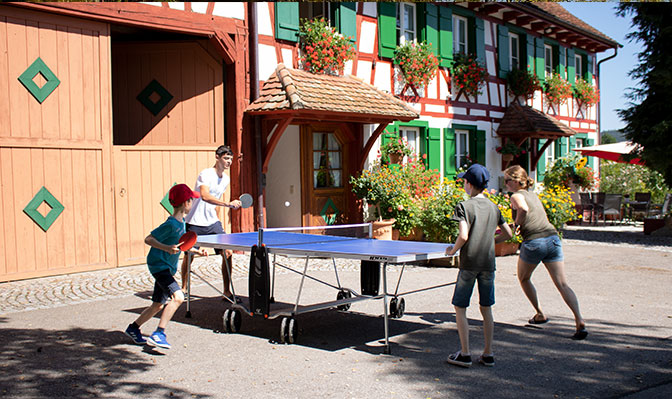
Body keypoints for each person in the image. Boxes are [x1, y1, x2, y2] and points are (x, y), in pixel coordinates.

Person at [503, 165, 588, 340]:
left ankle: (540, 313)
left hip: (534, 241)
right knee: (562, 284)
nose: (506, 184)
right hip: (552, 238)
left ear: (517, 181)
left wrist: (517, 224)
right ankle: (579, 319)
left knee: (524, 278)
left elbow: (523, 209)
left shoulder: (516, 195)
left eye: (507, 181)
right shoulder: (533, 195)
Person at [445, 164, 512, 368]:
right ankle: (488, 353)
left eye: (464, 181)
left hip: (469, 263)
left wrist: (453, 250)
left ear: (469, 184)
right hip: (488, 264)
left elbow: (463, 235)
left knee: (460, 307)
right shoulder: (494, 207)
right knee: (486, 307)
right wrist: (490, 241)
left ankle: (465, 353)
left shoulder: (464, 206)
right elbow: (509, 234)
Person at [125, 184, 207, 349]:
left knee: (157, 305)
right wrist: (166, 248)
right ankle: (159, 333)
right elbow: (148, 239)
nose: (193, 202)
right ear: (185, 203)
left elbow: (180, 245)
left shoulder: (182, 222)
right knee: (178, 297)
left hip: (167, 267)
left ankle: (133, 328)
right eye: (191, 199)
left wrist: (196, 251)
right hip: (159, 266)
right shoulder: (170, 224)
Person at [180, 145, 242, 300]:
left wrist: (218, 217)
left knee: (227, 253)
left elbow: (215, 204)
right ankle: (183, 288)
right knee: (189, 255)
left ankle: (226, 292)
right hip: (195, 222)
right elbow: (205, 196)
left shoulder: (226, 179)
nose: (229, 162)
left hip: (212, 223)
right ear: (217, 157)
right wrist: (227, 204)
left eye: (231, 159)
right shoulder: (206, 174)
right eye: (226, 158)